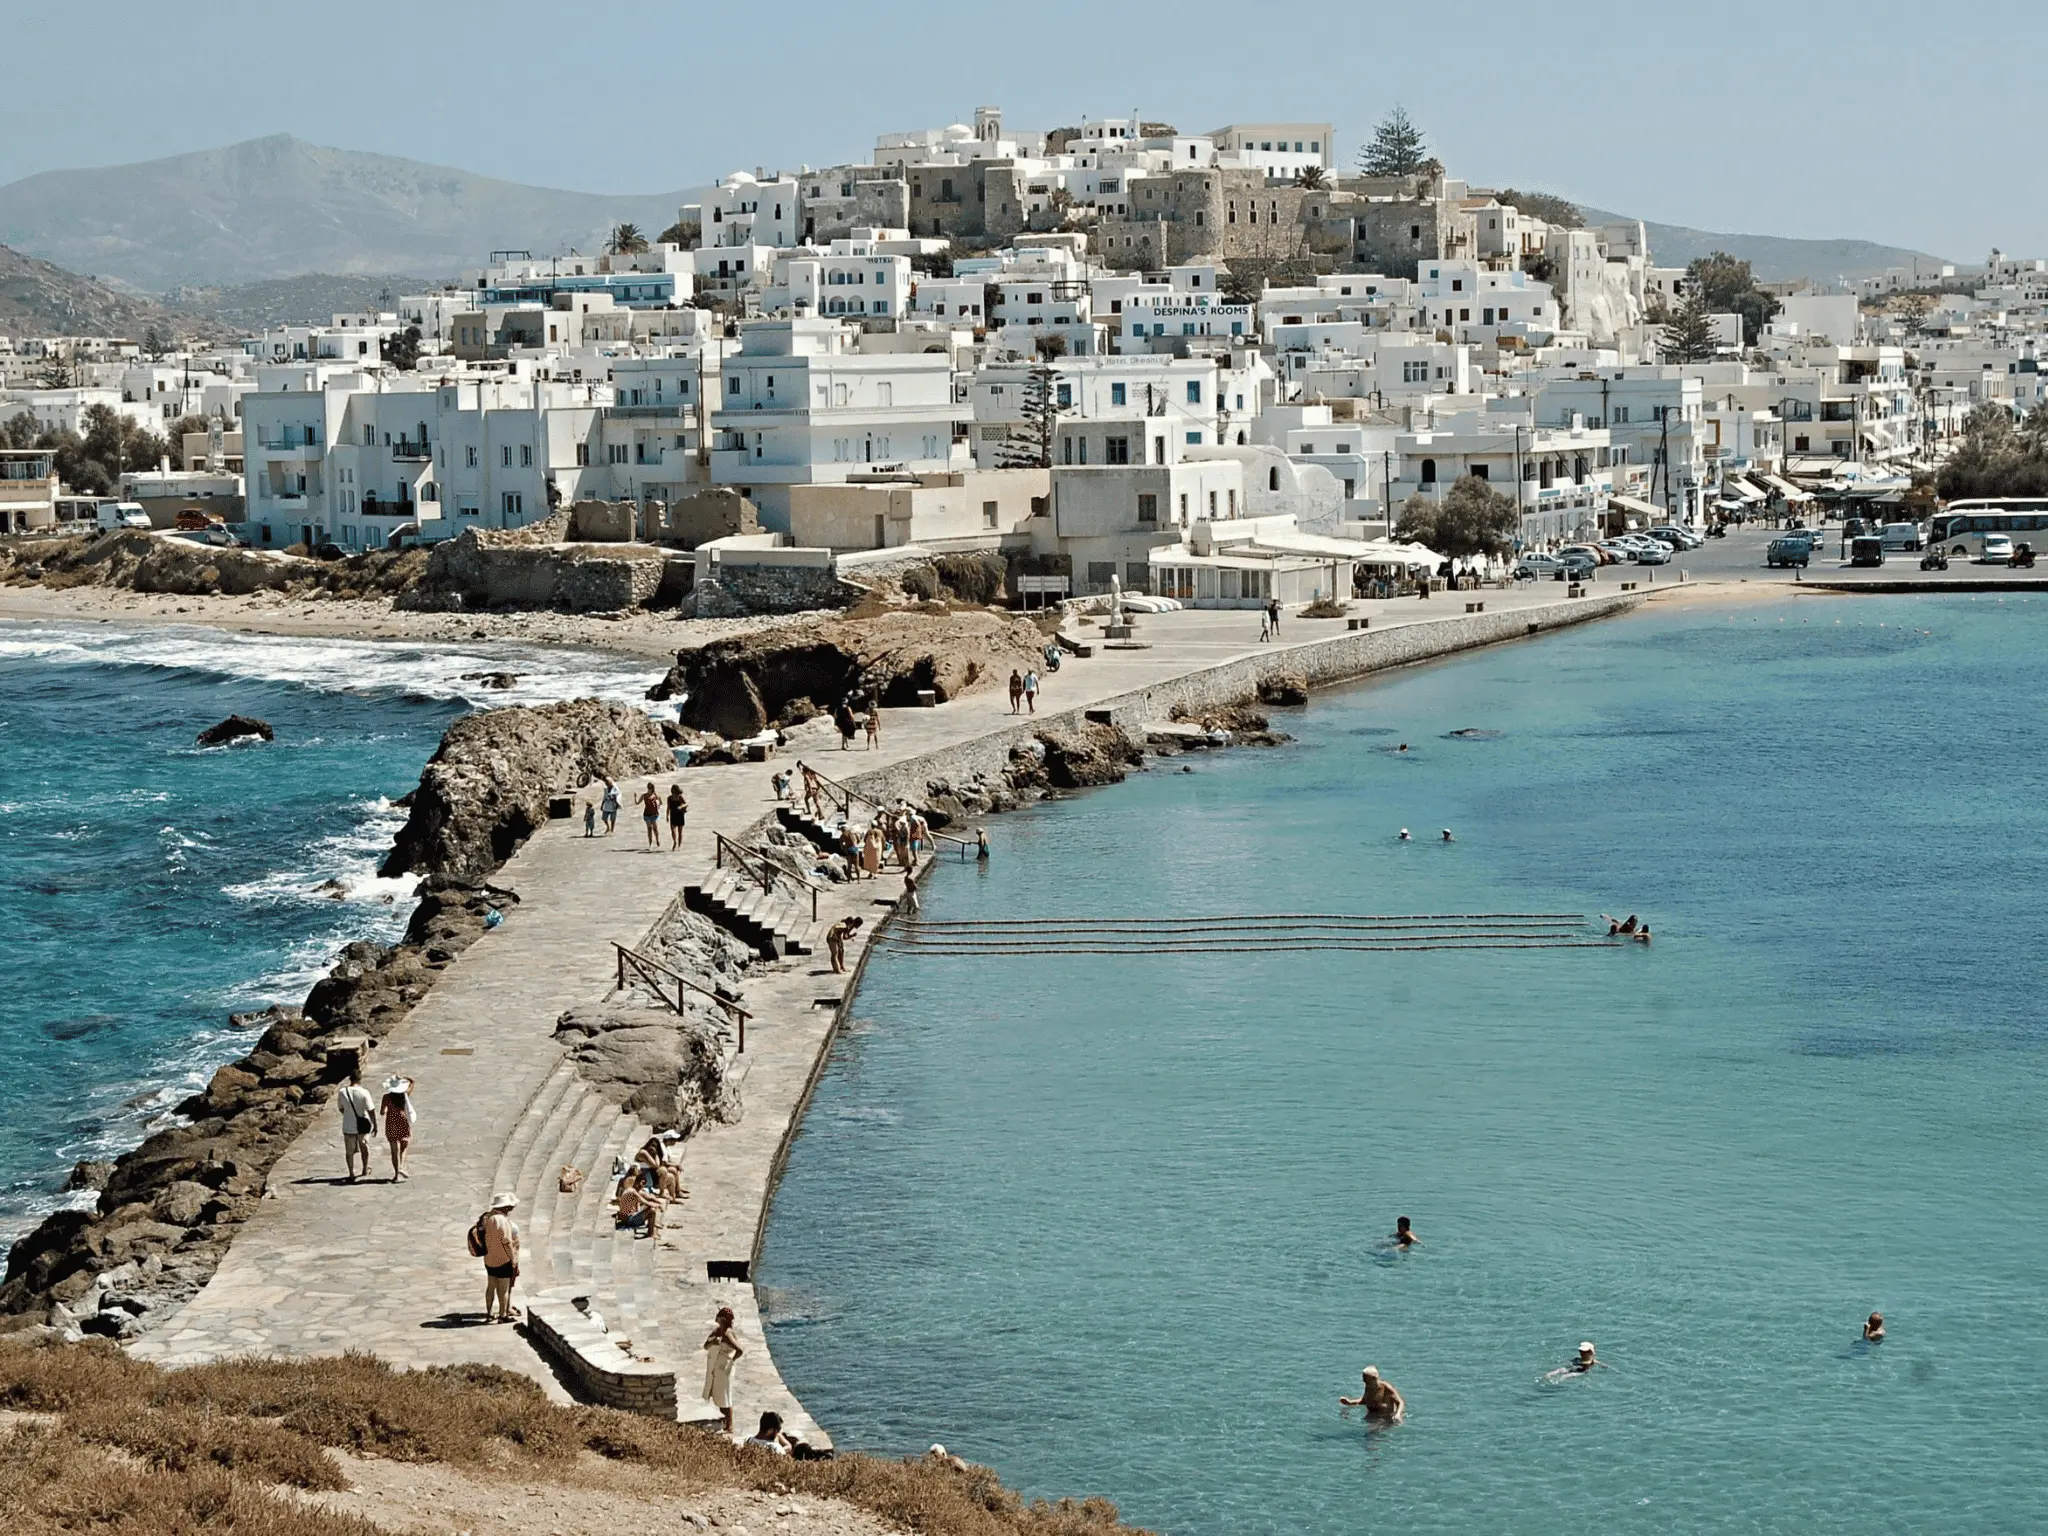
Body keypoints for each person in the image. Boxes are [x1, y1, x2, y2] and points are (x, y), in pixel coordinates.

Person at [480, 1192, 520, 1323]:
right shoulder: (501, 1220)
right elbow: (506, 1241)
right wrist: (512, 1258)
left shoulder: (486, 1217)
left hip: (489, 1258)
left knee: (491, 1286)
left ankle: (489, 1313)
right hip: (503, 1259)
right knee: (503, 1289)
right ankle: (503, 1315)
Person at [703, 1306, 744, 1432]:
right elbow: (706, 1345)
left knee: (725, 1397)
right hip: (717, 1367)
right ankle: (725, 1423)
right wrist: (713, 1342)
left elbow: (740, 1349)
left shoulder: (727, 1334)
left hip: (724, 1368)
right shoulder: (718, 1331)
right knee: (718, 1395)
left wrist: (731, 1360)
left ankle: (729, 1425)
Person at [336, 1069, 376, 1183]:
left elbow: (341, 1108)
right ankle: (364, 1168)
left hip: (348, 1125)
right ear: (360, 1079)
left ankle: (351, 1173)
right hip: (362, 1125)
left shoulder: (342, 1092)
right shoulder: (364, 1092)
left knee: (349, 1151)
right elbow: (371, 1110)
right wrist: (375, 1124)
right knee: (364, 1148)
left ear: (350, 1079)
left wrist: (348, 1115)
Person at [379, 1074, 415, 1182]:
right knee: (404, 1145)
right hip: (402, 1122)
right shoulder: (404, 1095)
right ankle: (401, 1167)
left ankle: (396, 1174)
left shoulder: (386, 1097)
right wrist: (404, 1077)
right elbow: (412, 1082)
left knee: (394, 1149)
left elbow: (382, 1112)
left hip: (391, 1123)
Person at [1340, 1365, 1404, 1422]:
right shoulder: (1368, 1387)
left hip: (1384, 1419)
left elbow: (1400, 1402)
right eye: (1364, 1380)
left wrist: (1398, 1414)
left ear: (1374, 1378)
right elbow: (1363, 1401)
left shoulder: (1386, 1388)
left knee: (1371, 1433)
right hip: (1371, 1418)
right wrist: (1349, 1402)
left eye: (1366, 1381)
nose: (1364, 1382)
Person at [1545, 1342, 1611, 1381]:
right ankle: (1555, 1378)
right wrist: (1604, 1366)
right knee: (1567, 1374)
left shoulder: (1580, 1358)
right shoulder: (1592, 1360)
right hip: (1583, 1369)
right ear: (1591, 1352)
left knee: (1563, 1370)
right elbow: (1598, 1363)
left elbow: (1599, 1363)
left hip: (1577, 1366)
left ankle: (1550, 1375)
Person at [666, 783, 688, 852]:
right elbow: (668, 807)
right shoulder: (669, 798)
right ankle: (675, 842)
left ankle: (679, 846)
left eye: (674, 790)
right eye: (672, 790)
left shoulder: (680, 797)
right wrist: (667, 816)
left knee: (680, 832)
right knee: (673, 831)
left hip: (680, 815)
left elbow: (686, 804)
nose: (673, 791)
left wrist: (681, 806)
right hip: (673, 815)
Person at [640, 782, 662, 848]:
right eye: (649, 787)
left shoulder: (656, 795)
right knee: (649, 829)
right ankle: (650, 844)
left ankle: (657, 840)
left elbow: (661, 803)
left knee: (655, 829)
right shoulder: (644, 795)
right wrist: (635, 797)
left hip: (654, 814)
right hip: (647, 814)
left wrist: (658, 805)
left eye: (651, 788)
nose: (649, 789)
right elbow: (637, 803)